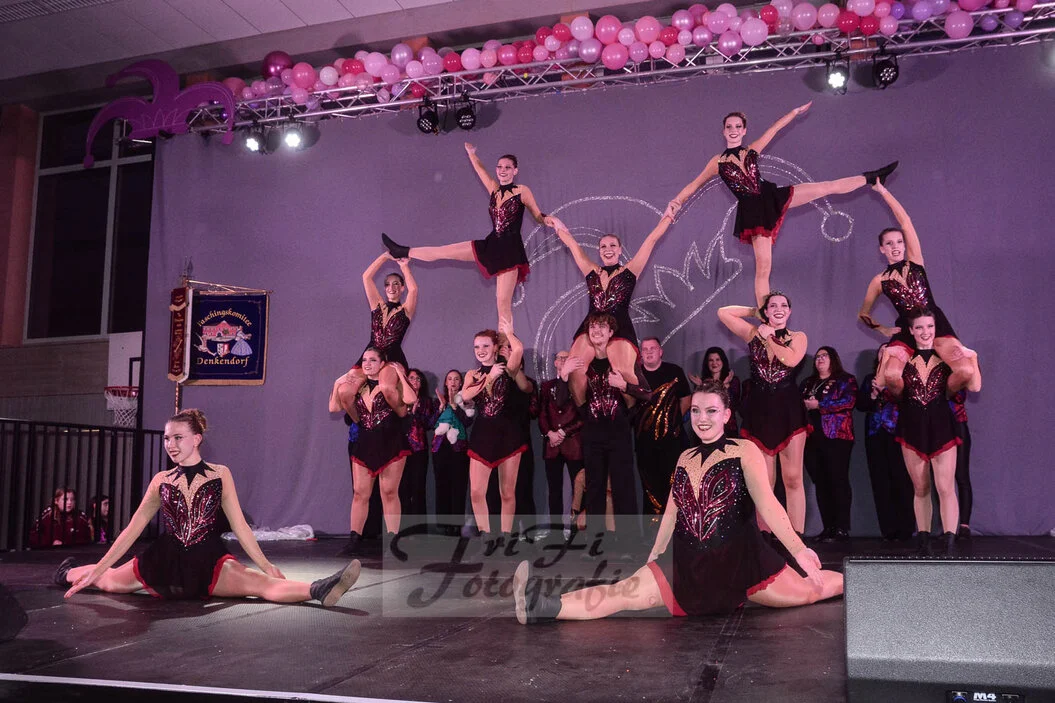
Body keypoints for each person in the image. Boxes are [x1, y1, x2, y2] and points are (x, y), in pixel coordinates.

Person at [512, 381, 843, 624]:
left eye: (711, 411)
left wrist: (799, 550)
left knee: (810, 590)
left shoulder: (744, 450)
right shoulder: (685, 456)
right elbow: (672, 512)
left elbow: (768, 504)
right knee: (622, 592)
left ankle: (860, 582)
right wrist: (654, 557)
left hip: (742, 564)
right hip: (686, 564)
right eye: (696, 410)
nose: (702, 418)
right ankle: (539, 604)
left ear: (726, 415)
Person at [57, 409, 359, 607]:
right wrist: (98, 568)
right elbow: (131, 531)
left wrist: (267, 565)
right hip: (163, 561)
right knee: (109, 581)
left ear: (196, 439)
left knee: (261, 583)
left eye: (178, 438)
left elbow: (240, 526)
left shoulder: (220, 474)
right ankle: (67, 572)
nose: (170, 444)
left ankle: (319, 589)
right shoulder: (161, 481)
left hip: (208, 561)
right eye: (167, 438)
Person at [669, 104, 897, 306]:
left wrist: (794, 113)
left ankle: (872, 178)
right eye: (729, 127)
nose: (733, 130)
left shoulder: (751, 150)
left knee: (825, 187)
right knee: (764, 266)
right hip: (753, 212)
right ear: (723, 131)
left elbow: (774, 129)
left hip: (772, 197)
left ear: (744, 130)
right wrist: (676, 201)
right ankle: (765, 314)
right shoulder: (717, 162)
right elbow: (694, 184)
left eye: (738, 126)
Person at [381, 144, 556, 332]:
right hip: (492, 244)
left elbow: (537, 214)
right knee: (444, 251)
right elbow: (481, 171)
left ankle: (506, 345)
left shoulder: (522, 190)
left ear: (515, 171)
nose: (502, 170)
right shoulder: (494, 190)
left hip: (510, 250)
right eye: (499, 167)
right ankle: (402, 251)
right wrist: (472, 154)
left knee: (502, 302)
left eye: (507, 167)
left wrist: (548, 219)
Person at [857, 183, 981, 393]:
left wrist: (883, 192)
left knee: (965, 371)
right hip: (907, 329)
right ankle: (906, 403)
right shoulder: (879, 280)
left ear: (905, 245)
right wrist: (882, 329)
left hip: (935, 323)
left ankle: (939, 399)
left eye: (899, 242)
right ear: (882, 249)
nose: (895, 247)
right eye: (889, 243)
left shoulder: (915, 262)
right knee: (890, 375)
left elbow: (905, 222)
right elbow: (863, 314)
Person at [550, 211, 673, 406]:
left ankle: (630, 414)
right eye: (603, 246)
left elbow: (651, 240)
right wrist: (558, 226)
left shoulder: (630, 271)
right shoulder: (591, 271)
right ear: (599, 251)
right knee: (575, 370)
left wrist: (668, 216)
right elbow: (572, 245)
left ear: (620, 250)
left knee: (623, 372)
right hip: (591, 326)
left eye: (612, 245)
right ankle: (584, 413)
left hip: (620, 326)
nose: (608, 249)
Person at [718, 292, 810, 534]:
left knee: (793, 478)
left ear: (789, 311)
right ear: (766, 311)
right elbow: (723, 313)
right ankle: (766, 538)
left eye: (784, 305)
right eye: (773, 306)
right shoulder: (753, 334)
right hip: (760, 410)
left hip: (788, 410)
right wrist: (753, 312)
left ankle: (796, 539)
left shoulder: (798, 337)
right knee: (764, 483)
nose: (779, 309)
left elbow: (790, 360)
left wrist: (770, 337)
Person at [557, 313, 651, 546]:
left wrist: (624, 385)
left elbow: (647, 394)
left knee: (623, 487)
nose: (596, 330)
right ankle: (595, 542)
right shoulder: (581, 364)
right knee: (595, 487)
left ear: (611, 333)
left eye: (602, 326)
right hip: (592, 433)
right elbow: (560, 402)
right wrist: (564, 375)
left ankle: (629, 543)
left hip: (619, 432)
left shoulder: (621, 362)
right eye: (592, 327)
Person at [893, 310, 977, 555]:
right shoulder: (902, 358)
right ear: (911, 330)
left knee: (945, 487)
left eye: (929, 326)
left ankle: (949, 542)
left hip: (942, 426)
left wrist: (972, 358)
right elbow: (890, 386)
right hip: (912, 427)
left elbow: (974, 385)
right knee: (921, 488)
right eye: (919, 327)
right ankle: (923, 540)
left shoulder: (948, 357)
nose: (925, 332)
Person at [341, 349, 418, 557]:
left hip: (391, 442)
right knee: (360, 493)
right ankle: (354, 541)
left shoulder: (392, 384)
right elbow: (335, 406)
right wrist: (342, 380)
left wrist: (400, 374)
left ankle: (393, 543)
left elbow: (411, 400)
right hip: (365, 443)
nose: (367, 363)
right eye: (364, 360)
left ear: (383, 364)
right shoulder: (357, 386)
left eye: (373, 360)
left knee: (389, 493)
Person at [330, 255, 417, 416]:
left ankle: (402, 416)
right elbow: (366, 277)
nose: (391, 287)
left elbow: (414, 290)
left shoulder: (406, 311)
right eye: (387, 284)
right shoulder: (377, 305)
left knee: (386, 387)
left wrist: (404, 266)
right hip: (371, 355)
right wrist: (385, 256)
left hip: (392, 357)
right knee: (345, 392)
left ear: (402, 288)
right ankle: (361, 424)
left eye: (396, 284)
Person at [462, 327, 526, 536]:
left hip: (508, 434)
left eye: (485, 346)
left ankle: (505, 536)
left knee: (507, 492)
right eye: (476, 347)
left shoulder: (507, 369)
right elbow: (465, 396)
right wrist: (489, 377)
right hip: (482, 435)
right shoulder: (473, 374)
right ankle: (486, 536)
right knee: (476, 492)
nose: (480, 351)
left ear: (495, 347)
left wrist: (508, 333)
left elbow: (518, 349)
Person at [856, 345, 915, 541]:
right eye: (882, 351)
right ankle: (888, 529)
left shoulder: (902, 378)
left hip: (897, 432)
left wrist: (887, 391)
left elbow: (909, 402)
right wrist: (872, 396)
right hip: (875, 433)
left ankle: (906, 528)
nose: (885, 354)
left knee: (901, 479)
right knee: (880, 481)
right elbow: (860, 405)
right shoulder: (869, 378)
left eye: (889, 351)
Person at [799, 346, 858, 542]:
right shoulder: (808, 383)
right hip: (811, 437)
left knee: (837, 480)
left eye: (824, 356)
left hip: (837, 436)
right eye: (817, 357)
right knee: (821, 482)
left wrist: (820, 405)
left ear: (833, 358)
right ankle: (828, 527)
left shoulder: (845, 380)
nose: (820, 359)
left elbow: (849, 402)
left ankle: (841, 528)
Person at [635, 337, 692, 516]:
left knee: (673, 484)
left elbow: (686, 399)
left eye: (653, 348)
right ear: (640, 354)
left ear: (661, 351)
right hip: (644, 442)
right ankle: (652, 529)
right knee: (649, 487)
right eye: (645, 349)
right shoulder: (635, 375)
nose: (649, 352)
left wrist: (672, 421)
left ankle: (675, 525)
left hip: (672, 441)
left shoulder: (674, 371)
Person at [538, 351, 585, 535]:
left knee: (579, 490)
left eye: (567, 358)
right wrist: (550, 433)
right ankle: (556, 532)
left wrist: (564, 432)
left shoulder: (580, 384)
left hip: (574, 445)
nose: (563, 360)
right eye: (560, 358)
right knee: (554, 491)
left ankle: (577, 532)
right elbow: (542, 414)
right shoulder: (546, 386)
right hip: (552, 446)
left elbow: (583, 416)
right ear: (555, 363)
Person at [432, 370, 474, 536]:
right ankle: (444, 524)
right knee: (441, 485)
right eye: (450, 379)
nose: (453, 382)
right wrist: (441, 407)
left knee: (459, 485)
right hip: (440, 448)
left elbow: (467, 421)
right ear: (445, 382)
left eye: (456, 379)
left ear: (461, 382)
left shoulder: (466, 399)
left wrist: (455, 405)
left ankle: (456, 524)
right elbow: (430, 423)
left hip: (459, 448)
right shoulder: (437, 401)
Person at [401, 368, 437, 525]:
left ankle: (419, 527)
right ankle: (403, 526)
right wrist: (409, 412)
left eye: (418, 379)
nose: (415, 381)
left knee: (418, 488)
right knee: (403, 488)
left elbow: (429, 424)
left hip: (419, 449)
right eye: (411, 378)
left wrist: (418, 412)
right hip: (401, 449)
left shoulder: (426, 401)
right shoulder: (400, 398)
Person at [689, 346, 741, 437]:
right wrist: (700, 388)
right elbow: (697, 407)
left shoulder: (733, 381)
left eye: (717, 359)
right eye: (711, 360)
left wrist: (726, 386)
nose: (714, 363)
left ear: (723, 361)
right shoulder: (702, 382)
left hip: (728, 428)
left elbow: (733, 405)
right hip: (706, 427)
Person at [949, 390, 973, 538]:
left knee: (962, 475)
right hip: (938, 428)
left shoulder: (960, 374)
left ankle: (964, 525)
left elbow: (959, 396)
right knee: (942, 481)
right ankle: (948, 527)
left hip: (958, 425)